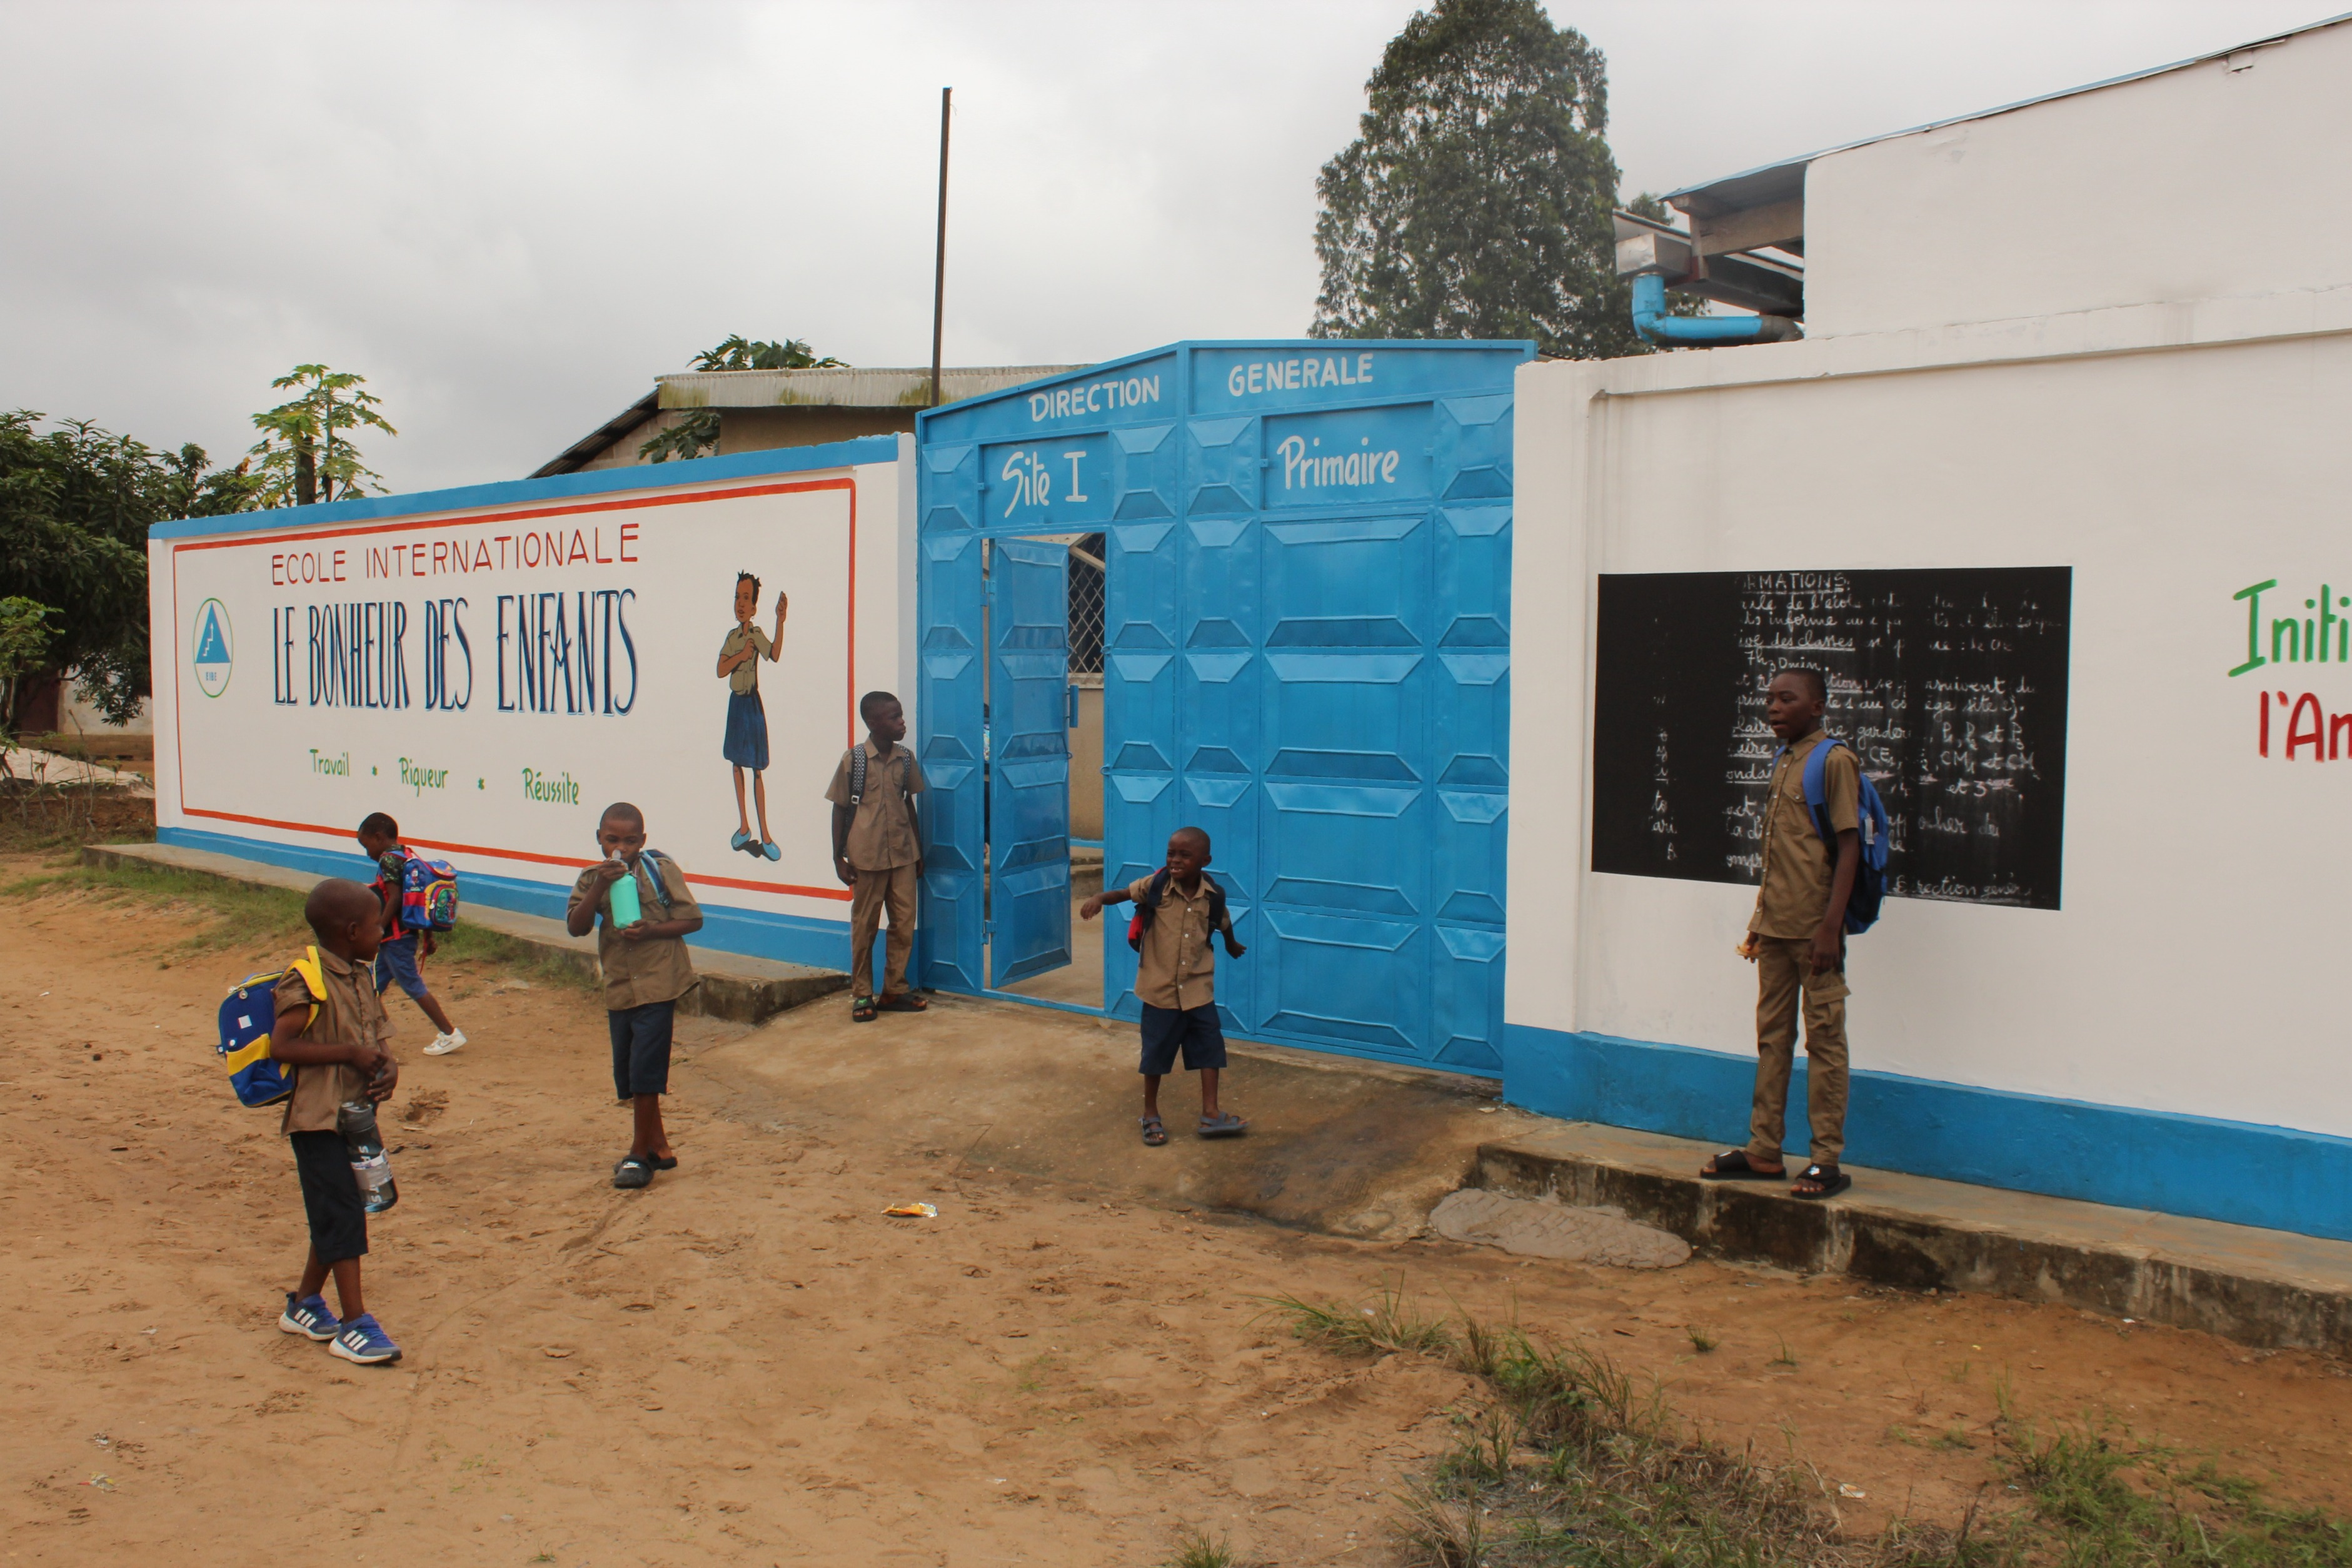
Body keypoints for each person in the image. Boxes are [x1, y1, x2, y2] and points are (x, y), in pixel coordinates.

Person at [1702, 667, 1861, 1199]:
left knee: (1825, 1043)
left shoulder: (1833, 762)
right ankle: (1764, 1150)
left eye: (1786, 699)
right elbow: (1780, 855)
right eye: (1769, 698)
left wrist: (1830, 929)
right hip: (1775, 930)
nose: (1773, 707)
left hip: (1815, 935)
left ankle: (1825, 1160)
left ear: (1817, 707)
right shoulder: (1785, 759)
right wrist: (1758, 924)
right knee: (1773, 1039)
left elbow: (1849, 848)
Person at [269, 877, 404, 1365]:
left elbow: (377, 1036)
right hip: (317, 1121)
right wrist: (348, 1053)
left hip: (355, 1118)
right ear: (351, 931)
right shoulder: (305, 979)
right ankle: (355, 1323)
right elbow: (282, 1045)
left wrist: (388, 1066)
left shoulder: (362, 975)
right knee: (344, 1214)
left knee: (338, 1211)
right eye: (375, 926)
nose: (382, 933)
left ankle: (305, 1302)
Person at [565, 802, 705, 1189]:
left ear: (642, 841)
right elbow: (576, 927)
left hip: (659, 982)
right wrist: (600, 886)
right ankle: (660, 1147)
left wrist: (651, 931)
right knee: (628, 1071)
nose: (620, 849)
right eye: (612, 840)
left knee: (646, 1070)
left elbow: (693, 919)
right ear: (599, 839)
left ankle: (638, 1154)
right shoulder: (591, 878)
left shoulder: (660, 872)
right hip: (621, 986)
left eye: (629, 842)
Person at [1078, 826, 1249, 1145]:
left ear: (1205, 861)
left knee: (1210, 1050)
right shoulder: (1155, 886)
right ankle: (1150, 1114)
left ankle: (1211, 1113)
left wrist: (1231, 944)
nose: (1175, 860)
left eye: (1185, 855)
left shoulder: (1213, 896)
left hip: (1198, 989)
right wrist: (1099, 898)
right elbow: (1123, 894)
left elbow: (1223, 923)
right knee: (1155, 1055)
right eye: (1171, 853)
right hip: (1159, 991)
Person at [825, 691, 928, 1022]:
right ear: (873, 722)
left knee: (904, 924)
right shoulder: (854, 761)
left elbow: (908, 803)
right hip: (866, 858)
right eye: (894, 717)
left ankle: (894, 990)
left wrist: (918, 850)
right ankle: (862, 994)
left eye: (901, 715)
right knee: (865, 926)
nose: (902, 722)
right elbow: (840, 809)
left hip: (903, 855)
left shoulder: (906, 759)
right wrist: (838, 858)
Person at [356, 812, 466, 1057]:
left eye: (366, 845)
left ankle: (450, 1034)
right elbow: (418, 898)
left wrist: (378, 928)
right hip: (398, 938)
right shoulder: (406, 856)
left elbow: (395, 898)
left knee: (413, 986)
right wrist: (429, 937)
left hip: (395, 939)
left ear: (379, 837)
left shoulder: (388, 860)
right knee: (372, 986)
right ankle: (364, 1032)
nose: (367, 853)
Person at [716, 571, 789, 861]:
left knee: (757, 768)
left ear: (755, 606)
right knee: (737, 765)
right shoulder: (733, 637)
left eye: (746, 598)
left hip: (751, 705)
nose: (740, 604)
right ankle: (745, 826)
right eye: (737, 597)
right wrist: (740, 656)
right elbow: (721, 669)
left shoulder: (755, 634)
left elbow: (775, 654)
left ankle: (766, 835)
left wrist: (780, 622)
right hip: (736, 704)